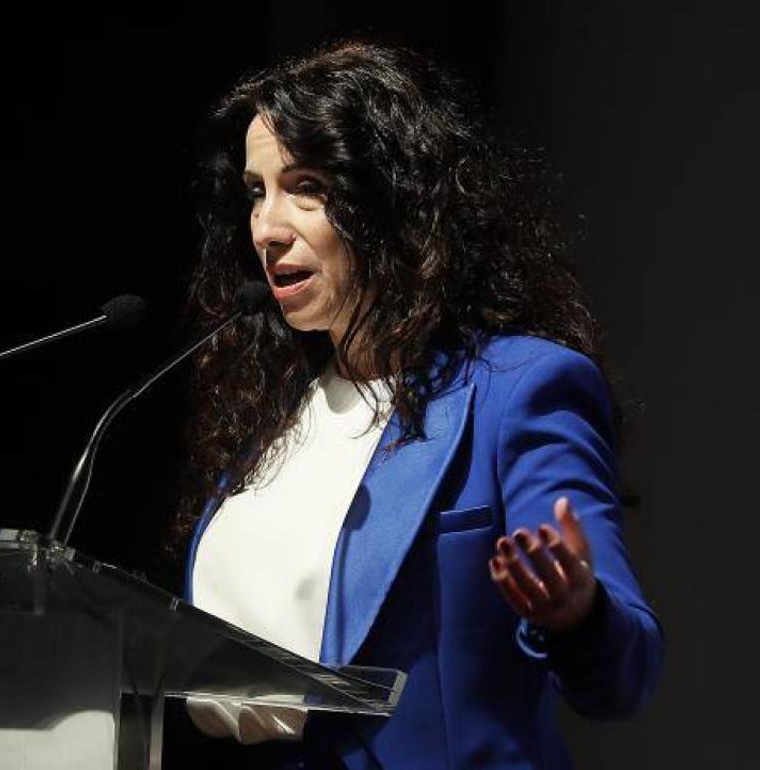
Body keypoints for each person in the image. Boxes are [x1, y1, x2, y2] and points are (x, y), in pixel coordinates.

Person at [173, 39, 664, 769]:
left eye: (306, 185)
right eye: (255, 191)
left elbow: (626, 676)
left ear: (393, 199)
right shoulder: (271, 418)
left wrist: (577, 615)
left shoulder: (520, 391)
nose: (268, 228)